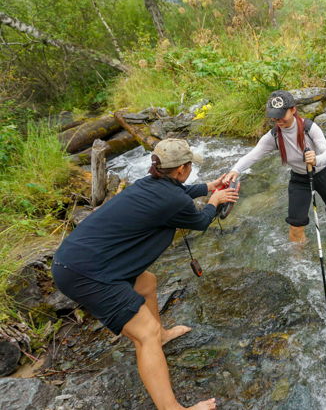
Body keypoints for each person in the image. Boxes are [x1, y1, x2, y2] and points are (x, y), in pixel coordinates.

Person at [52, 139, 238, 410]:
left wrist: (209, 187)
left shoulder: (149, 184)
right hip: (88, 273)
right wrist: (214, 201)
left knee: (147, 282)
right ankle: (170, 406)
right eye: (189, 166)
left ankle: (161, 336)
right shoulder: (172, 199)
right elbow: (199, 221)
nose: (189, 171)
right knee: (144, 334)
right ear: (181, 169)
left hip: (73, 260)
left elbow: (179, 194)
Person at [222, 90, 326, 243]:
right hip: (299, 180)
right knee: (295, 226)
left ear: (293, 110)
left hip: (324, 174)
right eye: (274, 116)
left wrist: (316, 159)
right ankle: (299, 262)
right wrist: (235, 170)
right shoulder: (274, 136)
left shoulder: (309, 128)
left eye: (281, 115)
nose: (278, 120)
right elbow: (253, 155)